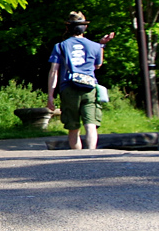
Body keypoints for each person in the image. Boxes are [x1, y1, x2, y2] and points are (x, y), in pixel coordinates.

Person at [45, 11, 113, 151]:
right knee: (91, 125)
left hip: (68, 88)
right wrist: (101, 45)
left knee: (73, 127)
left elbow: (54, 71)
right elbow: (97, 65)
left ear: (68, 28)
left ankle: (77, 156)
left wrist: (50, 95)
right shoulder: (95, 46)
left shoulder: (60, 46)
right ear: (85, 28)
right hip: (89, 88)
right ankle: (91, 154)